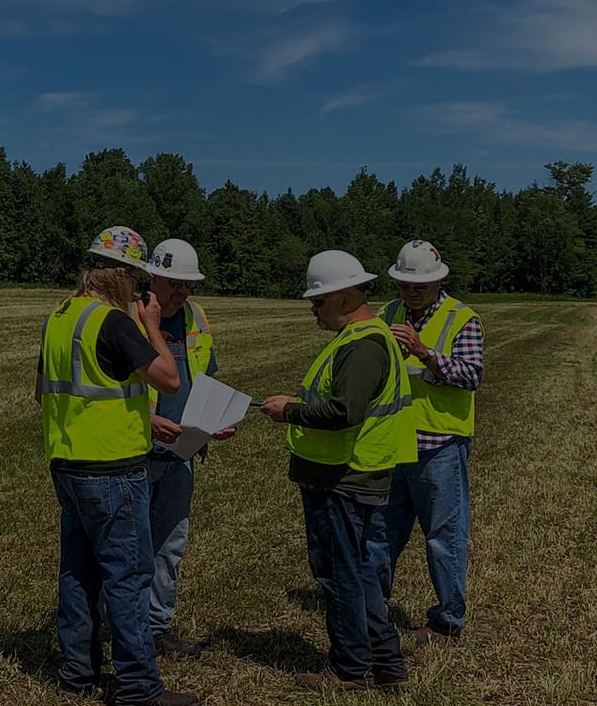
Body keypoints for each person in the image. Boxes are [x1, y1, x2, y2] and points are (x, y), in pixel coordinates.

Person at [37, 226, 200, 706]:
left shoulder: (60, 318)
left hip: (67, 465)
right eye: (138, 278)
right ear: (123, 274)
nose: (141, 289)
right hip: (113, 469)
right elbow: (168, 379)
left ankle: (77, 674)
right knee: (128, 580)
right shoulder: (114, 322)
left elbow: (46, 392)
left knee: (78, 573)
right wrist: (151, 323)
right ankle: (138, 687)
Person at [259, 250, 416, 693]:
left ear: (345, 298)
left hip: (343, 478)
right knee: (361, 570)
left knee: (340, 573)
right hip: (353, 473)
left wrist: (289, 410)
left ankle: (350, 669)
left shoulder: (363, 345)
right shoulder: (367, 338)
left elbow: (345, 411)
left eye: (318, 301)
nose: (313, 309)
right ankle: (385, 662)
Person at [368, 239, 484, 646]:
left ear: (438, 282)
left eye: (419, 285)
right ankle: (372, 610)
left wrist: (426, 354)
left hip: (440, 444)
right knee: (380, 531)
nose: (411, 292)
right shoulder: (389, 313)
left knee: (443, 536)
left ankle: (447, 621)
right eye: (404, 284)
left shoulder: (462, 318)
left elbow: (473, 376)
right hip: (394, 440)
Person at [141, 238, 235, 658]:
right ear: (153, 276)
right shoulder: (130, 315)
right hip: (136, 451)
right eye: (174, 283)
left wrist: (214, 420)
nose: (182, 292)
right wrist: (145, 421)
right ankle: (118, 625)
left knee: (170, 544)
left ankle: (157, 627)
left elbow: (204, 376)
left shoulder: (196, 316)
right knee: (128, 544)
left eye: (188, 285)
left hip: (182, 452)